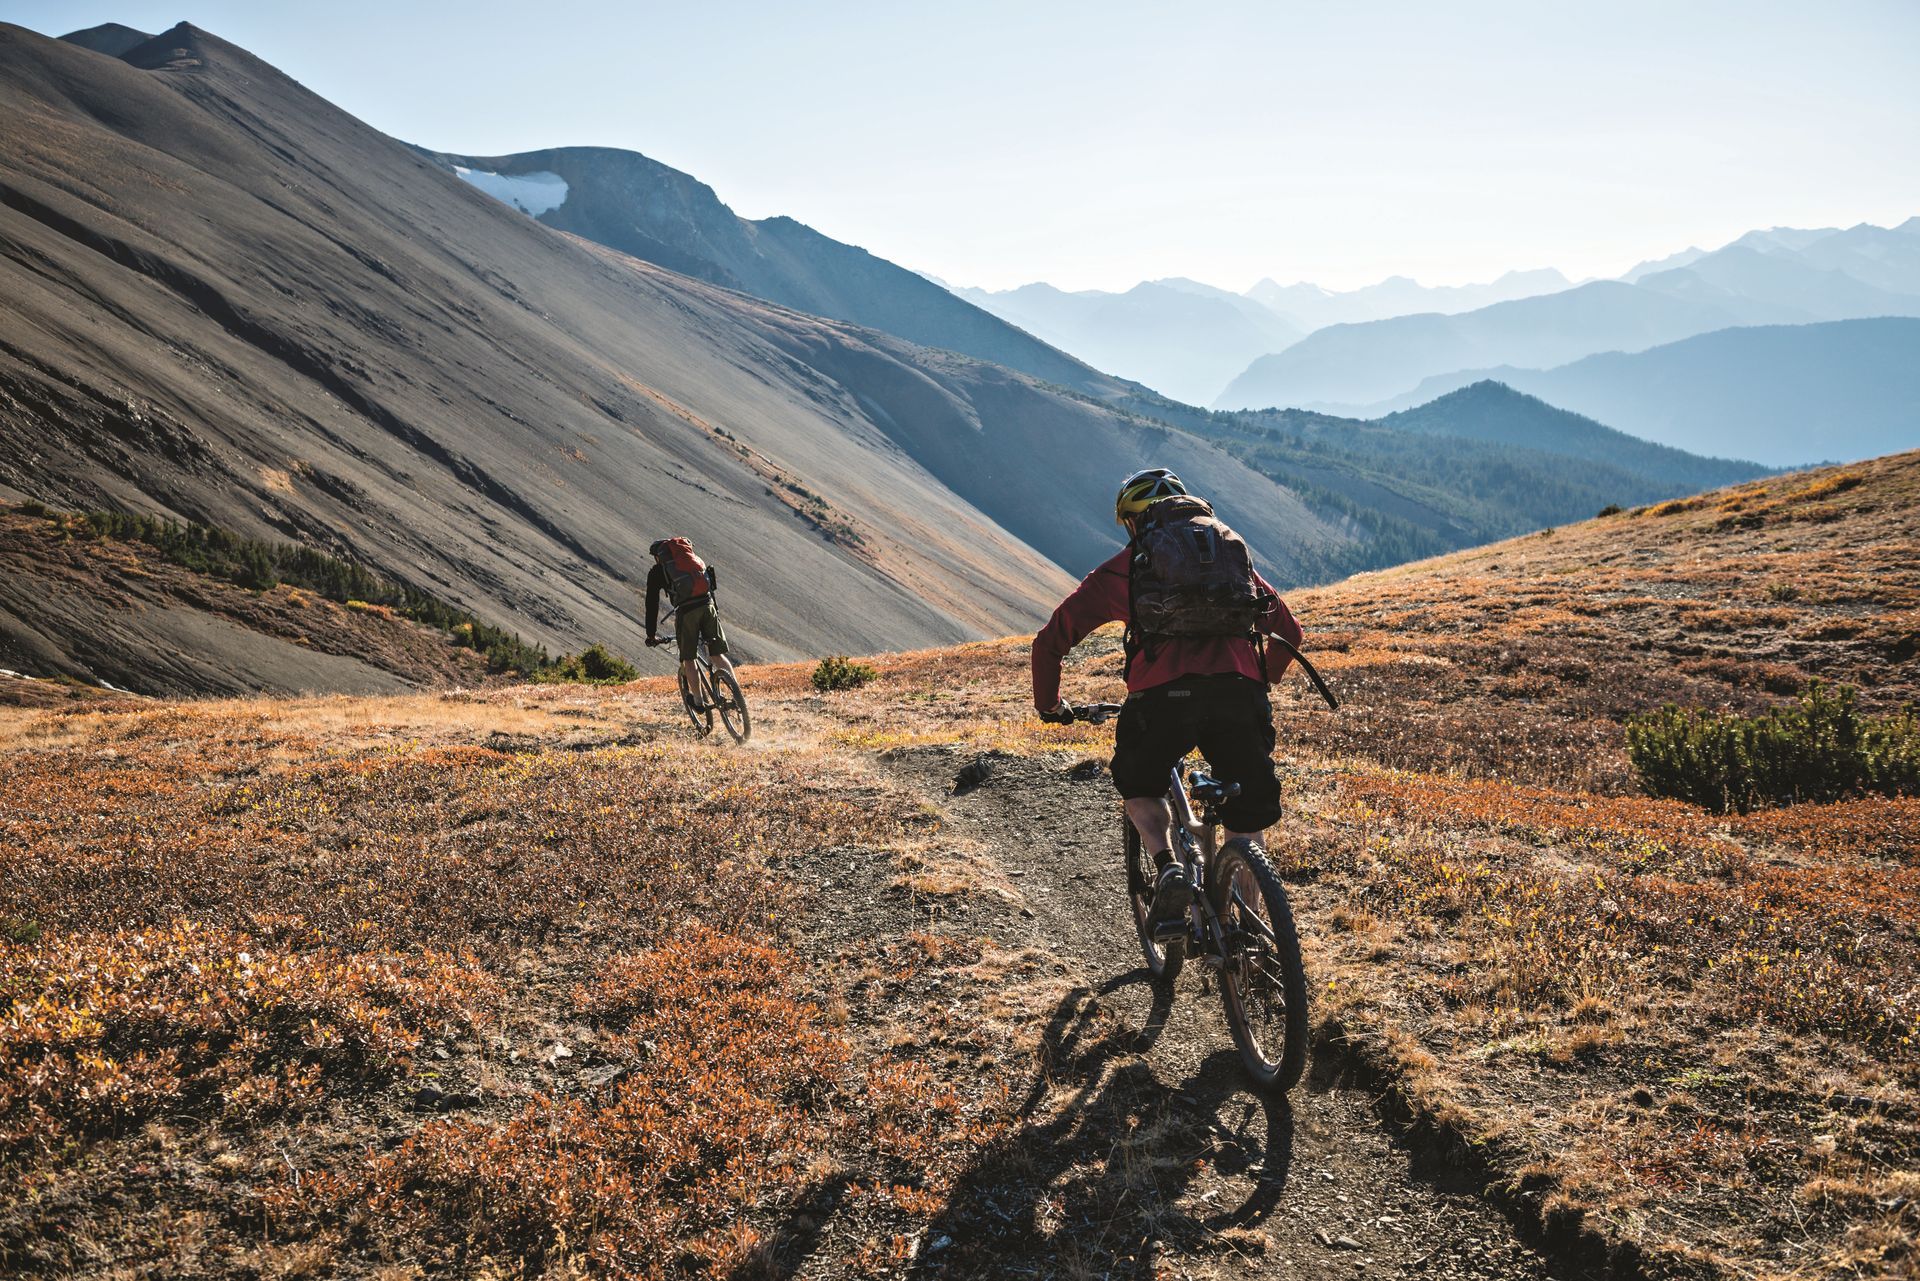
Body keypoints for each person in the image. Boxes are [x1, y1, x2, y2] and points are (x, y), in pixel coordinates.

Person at [1032, 468, 1302, 929]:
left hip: (1163, 698)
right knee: (1246, 809)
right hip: (1239, 696)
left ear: (1134, 522)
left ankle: (1168, 867)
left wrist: (1050, 705)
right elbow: (1290, 634)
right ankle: (1249, 932)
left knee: (1140, 786)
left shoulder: (1125, 568)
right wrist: (1258, 680)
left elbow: (1050, 642)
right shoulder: (1231, 559)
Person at [644, 537, 737, 708]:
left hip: (687, 613)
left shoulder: (658, 571)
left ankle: (698, 702)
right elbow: (711, 588)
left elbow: (651, 604)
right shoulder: (696, 562)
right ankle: (737, 696)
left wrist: (651, 634)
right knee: (717, 655)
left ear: (659, 556)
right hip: (708, 606)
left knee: (689, 658)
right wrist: (714, 611)